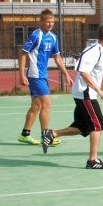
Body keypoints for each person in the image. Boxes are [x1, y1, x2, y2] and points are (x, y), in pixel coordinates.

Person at [42, 25, 103, 169]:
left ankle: (51, 134)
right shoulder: (91, 51)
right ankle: (92, 161)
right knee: (97, 125)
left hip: (88, 93)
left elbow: (102, 67)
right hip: (85, 93)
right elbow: (84, 72)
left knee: (82, 127)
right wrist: (99, 90)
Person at [17, 8, 73, 145]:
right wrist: (22, 74)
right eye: (48, 21)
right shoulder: (36, 35)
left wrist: (66, 74)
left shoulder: (53, 37)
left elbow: (57, 57)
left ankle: (25, 134)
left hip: (42, 75)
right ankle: (46, 137)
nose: (50, 24)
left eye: (52, 21)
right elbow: (23, 53)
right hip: (35, 75)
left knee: (36, 105)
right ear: (41, 22)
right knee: (47, 104)